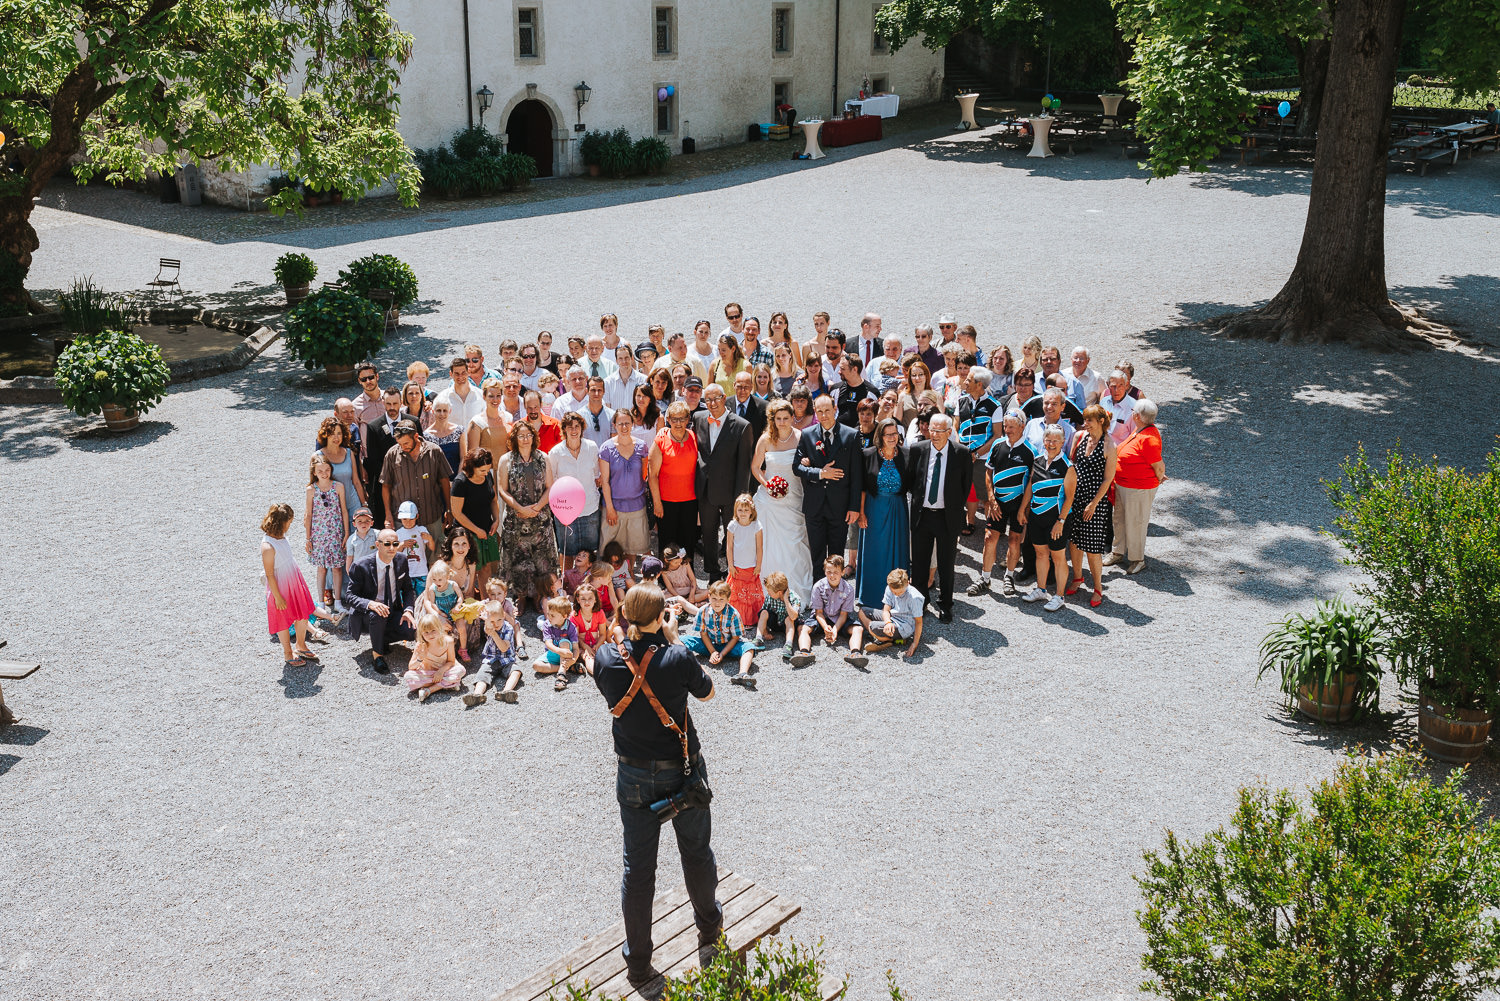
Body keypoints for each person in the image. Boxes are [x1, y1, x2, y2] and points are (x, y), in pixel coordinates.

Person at [591, 584, 721, 993]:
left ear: (626, 614)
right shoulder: (677, 654)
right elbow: (709, 693)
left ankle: (639, 964)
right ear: (660, 616)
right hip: (681, 771)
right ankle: (709, 932)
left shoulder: (605, 658)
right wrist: (672, 638)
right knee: (696, 855)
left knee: (638, 870)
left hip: (632, 774)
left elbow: (616, 675)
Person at [905, 414, 972, 623]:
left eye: (939, 431)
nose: (933, 434)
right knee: (920, 564)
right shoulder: (918, 449)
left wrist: (953, 508)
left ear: (949, 433)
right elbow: (910, 479)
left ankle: (945, 604)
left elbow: (965, 485)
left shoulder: (961, 453)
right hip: (922, 516)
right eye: (931, 429)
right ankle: (920, 603)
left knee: (946, 564)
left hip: (946, 517)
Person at [748, 399, 815, 606]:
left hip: (795, 495)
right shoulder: (765, 439)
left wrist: (807, 462)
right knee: (769, 543)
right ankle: (768, 588)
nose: (783, 422)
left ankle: (796, 589)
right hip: (770, 499)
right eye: (779, 419)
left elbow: (810, 461)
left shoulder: (801, 436)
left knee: (796, 543)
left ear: (792, 417)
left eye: (786, 418)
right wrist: (767, 484)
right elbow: (756, 467)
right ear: (773, 420)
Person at [794, 395, 863, 572]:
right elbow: (797, 468)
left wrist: (854, 507)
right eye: (820, 411)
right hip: (814, 505)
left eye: (827, 410)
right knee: (816, 555)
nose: (824, 415)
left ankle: (835, 593)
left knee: (836, 555)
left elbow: (856, 475)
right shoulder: (808, 435)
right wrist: (820, 473)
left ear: (835, 410)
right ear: (815, 412)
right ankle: (818, 594)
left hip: (839, 506)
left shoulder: (851, 435)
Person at [969, 410, 1034, 597]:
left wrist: (1023, 509)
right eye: (1005, 426)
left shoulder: (1030, 451)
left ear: (1022, 426)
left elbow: (1031, 482)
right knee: (990, 537)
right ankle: (985, 578)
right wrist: (991, 498)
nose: (1008, 430)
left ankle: (1009, 577)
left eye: (1012, 427)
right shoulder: (997, 444)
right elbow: (988, 472)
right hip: (997, 502)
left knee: (1014, 540)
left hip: (1018, 504)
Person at [496, 420, 558, 614]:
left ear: (534, 437)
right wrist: (520, 508)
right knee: (518, 559)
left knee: (541, 559)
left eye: (528, 435)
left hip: (540, 518)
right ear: (514, 438)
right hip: (516, 519)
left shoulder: (544, 458)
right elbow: (502, 489)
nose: (525, 439)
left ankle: (540, 596)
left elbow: (550, 486)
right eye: (521, 435)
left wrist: (537, 507)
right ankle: (521, 597)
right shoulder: (506, 459)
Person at [693, 386, 753, 581]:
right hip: (706, 489)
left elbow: (744, 466)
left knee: (732, 534)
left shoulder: (742, 425)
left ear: (724, 398)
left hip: (730, 493)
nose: (711, 403)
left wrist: (740, 498)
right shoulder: (699, 418)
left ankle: (733, 571)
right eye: (707, 399)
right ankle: (712, 572)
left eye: (716, 399)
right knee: (708, 534)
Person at [1017, 425, 1077, 613]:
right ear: (1044, 441)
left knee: (1058, 558)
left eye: (1055, 441)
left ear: (1062, 443)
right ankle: (1041, 589)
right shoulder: (1037, 460)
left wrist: (1060, 521)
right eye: (1048, 440)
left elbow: (1070, 497)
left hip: (1056, 520)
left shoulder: (1068, 467)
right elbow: (1030, 487)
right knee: (1041, 553)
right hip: (1036, 516)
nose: (1051, 444)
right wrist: (1022, 510)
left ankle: (1059, 596)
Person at [344, 528, 417, 674]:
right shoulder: (360, 566)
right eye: (387, 544)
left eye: (395, 544)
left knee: (411, 630)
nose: (391, 548)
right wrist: (370, 604)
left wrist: (408, 610)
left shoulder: (401, 560)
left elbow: (408, 589)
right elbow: (350, 596)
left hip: (392, 610)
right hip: (368, 614)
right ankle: (377, 655)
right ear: (378, 545)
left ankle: (381, 637)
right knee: (378, 614)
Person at [856, 418, 912, 609]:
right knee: (874, 552)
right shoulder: (868, 454)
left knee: (898, 551)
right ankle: (871, 596)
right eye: (888, 434)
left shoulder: (906, 454)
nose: (892, 438)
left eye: (895, 434)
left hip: (897, 508)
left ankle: (898, 596)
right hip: (874, 508)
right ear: (880, 436)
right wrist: (862, 513)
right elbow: (862, 487)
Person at [1106, 398, 1166, 575]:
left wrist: (1159, 477)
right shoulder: (1140, 430)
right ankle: (1118, 551)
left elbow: (1159, 466)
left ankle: (1137, 559)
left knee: (1136, 522)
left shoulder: (1148, 438)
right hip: (1124, 485)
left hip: (1138, 488)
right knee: (1120, 519)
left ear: (1137, 416)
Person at [1067, 405, 1118, 607]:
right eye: (1085, 419)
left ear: (1101, 422)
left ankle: (1098, 587)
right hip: (1076, 497)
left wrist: (1093, 504)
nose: (1085, 423)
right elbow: (1072, 463)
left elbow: (1108, 480)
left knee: (1093, 548)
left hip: (1095, 502)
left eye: (1089, 420)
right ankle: (1078, 577)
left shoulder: (1109, 445)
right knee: (1074, 541)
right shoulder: (1080, 437)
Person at [381, 419, 453, 553]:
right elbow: (386, 486)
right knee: (406, 561)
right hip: (404, 521)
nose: (403, 447)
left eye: (406, 443)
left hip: (431, 516)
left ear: (416, 436)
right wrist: (388, 514)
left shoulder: (434, 451)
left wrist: (448, 509)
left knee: (435, 556)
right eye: (400, 444)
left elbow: (445, 481)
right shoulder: (392, 454)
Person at [261, 503, 319, 667]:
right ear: (281, 522)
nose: (290, 525)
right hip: (280, 585)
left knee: (302, 614)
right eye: (289, 522)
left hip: (294, 579)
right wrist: (277, 597)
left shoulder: (282, 536)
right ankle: (287, 652)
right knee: (283, 620)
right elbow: (270, 574)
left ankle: (300, 645)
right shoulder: (267, 546)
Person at [649, 401, 700, 563]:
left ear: (688, 419)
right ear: (668, 419)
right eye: (674, 419)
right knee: (667, 544)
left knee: (688, 542)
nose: (678, 423)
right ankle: (666, 582)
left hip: (690, 500)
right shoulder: (661, 438)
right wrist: (657, 503)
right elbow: (652, 475)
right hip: (666, 501)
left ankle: (686, 579)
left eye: (682, 419)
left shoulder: (693, 436)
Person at [548, 412, 603, 562]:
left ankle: (588, 585)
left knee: (589, 553)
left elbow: (597, 476)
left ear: (582, 428)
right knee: (567, 551)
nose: (574, 430)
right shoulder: (555, 453)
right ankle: (566, 583)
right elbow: (551, 482)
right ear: (564, 429)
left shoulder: (592, 448)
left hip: (590, 509)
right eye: (570, 427)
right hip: (565, 511)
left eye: (577, 426)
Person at [600, 409, 651, 564]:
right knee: (611, 550)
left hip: (636, 506)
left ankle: (629, 578)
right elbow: (605, 481)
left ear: (632, 424)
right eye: (620, 423)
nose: (624, 427)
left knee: (632, 549)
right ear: (614, 425)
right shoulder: (606, 448)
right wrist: (610, 508)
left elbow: (645, 475)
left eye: (627, 423)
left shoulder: (642, 447)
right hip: (614, 506)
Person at [794, 554, 864, 668]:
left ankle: (855, 653)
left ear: (842, 572)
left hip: (839, 618)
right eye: (828, 572)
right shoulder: (818, 587)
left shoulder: (849, 589)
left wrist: (835, 630)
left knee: (858, 629)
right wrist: (825, 626)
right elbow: (818, 613)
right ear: (824, 571)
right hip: (821, 618)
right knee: (802, 628)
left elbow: (843, 614)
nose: (832, 575)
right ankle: (804, 652)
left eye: (836, 572)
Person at [955, 366, 1000, 534]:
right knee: (969, 491)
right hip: (964, 454)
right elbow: (956, 425)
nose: (965, 381)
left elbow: (997, 435)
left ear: (979, 384)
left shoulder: (994, 406)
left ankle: (992, 525)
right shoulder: (961, 401)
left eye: (969, 380)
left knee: (985, 492)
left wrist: (977, 454)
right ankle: (970, 521)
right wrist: (961, 448)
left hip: (983, 457)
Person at [684, 580, 756, 684]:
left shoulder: (734, 614)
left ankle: (742, 674)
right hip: (709, 644)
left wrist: (722, 654)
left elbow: (735, 638)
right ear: (709, 597)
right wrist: (712, 651)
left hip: (729, 645)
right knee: (683, 640)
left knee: (749, 647)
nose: (717, 602)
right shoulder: (703, 611)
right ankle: (681, 668)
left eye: (721, 599)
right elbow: (703, 634)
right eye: (714, 598)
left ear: (728, 599)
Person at [450, 448, 501, 592]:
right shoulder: (460, 482)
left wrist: (496, 520)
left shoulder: (488, 476)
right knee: (469, 571)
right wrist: (476, 530)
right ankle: (468, 606)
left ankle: (486, 606)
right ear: (472, 466)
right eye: (482, 471)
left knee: (486, 569)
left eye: (487, 470)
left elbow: (493, 499)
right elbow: (457, 513)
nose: (486, 474)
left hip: (485, 528)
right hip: (466, 533)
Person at [464, 580, 521, 706]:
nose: (496, 624)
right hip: (491, 659)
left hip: (507, 659)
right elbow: (487, 626)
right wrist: (485, 618)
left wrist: (494, 633)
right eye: (493, 621)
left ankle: (507, 691)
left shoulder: (508, 628)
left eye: (500, 620)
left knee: (516, 671)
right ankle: (477, 695)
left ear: (503, 616)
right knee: (482, 675)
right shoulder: (489, 627)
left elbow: (504, 648)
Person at [305, 455, 349, 614]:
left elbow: (344, 510)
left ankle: (338, 601)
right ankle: (321, 602)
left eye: (327, 470)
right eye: (320, 471)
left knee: (337, 568)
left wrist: (346, 533)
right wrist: (308, 538)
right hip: (319, 535)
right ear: (315, 472)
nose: (324, 473)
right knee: (321, 568)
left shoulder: (338, 487)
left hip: (336, 532)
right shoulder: (311, 490)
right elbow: (308, 515)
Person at [314, 417, 365, 536]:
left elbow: (356, 481)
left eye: (339, 434)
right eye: (332, 434)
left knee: (356, 540)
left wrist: (363, 504)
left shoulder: (349, 453)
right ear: (325, 435)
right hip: (332, 507)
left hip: (352, 503)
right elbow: (314, 485)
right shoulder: (318, 455)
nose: (336, 438)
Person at [859, 568, 924, 659]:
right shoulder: (890, 587)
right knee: (862, 611)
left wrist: (914, 644)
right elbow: (886, 610)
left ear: (908, 583)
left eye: (900, 592)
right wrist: (888, 622)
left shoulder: (914, 597)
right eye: (894, 592)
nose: (897, 594)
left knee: (873, 626)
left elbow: (918, 622)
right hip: (893, 617)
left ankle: (886, 639)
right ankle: (888, 639)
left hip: (904, 626)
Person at [402, 613, 462, 702]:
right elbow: (411, 667)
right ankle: (447, 684)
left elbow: (451, 661)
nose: (430, 635)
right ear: (421, 633)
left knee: (461, 670)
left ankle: (429, 690)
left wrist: (441, 671)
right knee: (408, 676)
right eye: (426, 632)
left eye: (433, 630)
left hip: (444, 671)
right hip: (428, 672)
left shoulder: (448, 641)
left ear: (439, 628)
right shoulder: (421, 645)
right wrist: (420, 658)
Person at [724, 494, 764, 628]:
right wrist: (730, 565)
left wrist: (758, 565)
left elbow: (759, 547)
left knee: (750, 595)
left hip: (751, 566)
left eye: (746, 510)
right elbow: (729, 547)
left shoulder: (756, 526)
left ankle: (751, 619)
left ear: (752, 511)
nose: (743, 513)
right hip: (737, 566)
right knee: (737, 595)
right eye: (740, 510)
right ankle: (737, 619)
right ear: (736, 510)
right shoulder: (732, 525)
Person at [535, 595, 581, 689]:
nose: (549, 617)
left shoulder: (571, 627)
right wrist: (560, 652)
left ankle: (562, 675)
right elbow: (548, 643)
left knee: (564, 642)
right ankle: (568, 667)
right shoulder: (547, 625)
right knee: (536, 666)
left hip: (566, 653)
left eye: (552, 615)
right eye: (548, 614)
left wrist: (573, 660)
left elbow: (576, 648)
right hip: (554, 652)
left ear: (564, 616)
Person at [756, 572, 802, 661]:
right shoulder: (770, 597)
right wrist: (765, 632)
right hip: (776, 622)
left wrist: (786, 600)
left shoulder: (794, 597)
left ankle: (788, 645)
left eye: (769, 591)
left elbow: (793, 617)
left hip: (788, 625)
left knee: (789, 619)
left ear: (779, 592)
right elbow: (762, 615)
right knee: (764, 612)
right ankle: (758, 638)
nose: (768, 593)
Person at [394, 500, 434, 594]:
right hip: (405, 573)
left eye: (411, 519)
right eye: (405, 519)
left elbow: (431, 548)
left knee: (423, 597)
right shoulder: (398, 533)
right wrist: (402, 545)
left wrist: (430, 538)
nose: (408, 522)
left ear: (417, 516)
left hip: (421, 571)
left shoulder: (421, 530)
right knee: (406, 597)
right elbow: (395, 553)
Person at [435, 356, 485, 430]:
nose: (460, 376)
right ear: (451, 374)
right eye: (457, 373)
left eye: (463, 373)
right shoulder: (442, 397)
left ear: (468, 372)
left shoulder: (481, 395)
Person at [570, 583, 609, 674]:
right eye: (583, 599)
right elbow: (576, 637)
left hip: (596, 643)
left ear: (595, 599)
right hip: (580, 645)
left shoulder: (600, 613)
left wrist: (597, 645)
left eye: (590, 598)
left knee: (604, 655)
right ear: (578, 600)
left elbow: (603, 634)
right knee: (587, 656)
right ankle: (596, 673)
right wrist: (586, 647)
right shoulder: (575, 615)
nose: (587, 602)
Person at [423, 399, 464, 474]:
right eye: (438, 410)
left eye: (445, 410)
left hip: (457, 479)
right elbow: (427, 463)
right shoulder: (426, 436)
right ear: (433, 411)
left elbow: (463, 458)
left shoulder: (459, 431)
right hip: (437, 480)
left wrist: (458, 480)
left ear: (450, 411)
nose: (442, 414)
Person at [835, 356, 876, 428]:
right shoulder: (835, 389)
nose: (839, 372)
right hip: (839, 434)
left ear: (854, 369)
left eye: (843, 369)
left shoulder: (871, 392)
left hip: (860, 436)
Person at [604, 343, 647, 411]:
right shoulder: (608, 382)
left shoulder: (643, 380)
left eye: (626, 358)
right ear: (616, 361)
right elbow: (607, 409)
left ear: (632, 358)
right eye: (620, 358)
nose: (624, 361)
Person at [706, 333, 748, 399]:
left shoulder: (745, 366)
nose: (720, 353)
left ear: (733, 349)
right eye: (719, 349)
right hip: (720, 406)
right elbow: (709, 390)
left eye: (723, 350)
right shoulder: (714, 365)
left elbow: (750, 390)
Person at [730, 371, 768, 441]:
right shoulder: (725, 404)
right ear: (734, 385)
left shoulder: (763, 407)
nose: (743, 390)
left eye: (746, 387)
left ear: (751, 387)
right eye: (739, 387)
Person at [345, 506, 377, 575]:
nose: (363, 524)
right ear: (354, 524)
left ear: (372, 523)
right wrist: (349, 572)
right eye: (359, 521)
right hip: (358, 570)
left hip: (374, 569)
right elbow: (349, 557)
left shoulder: (377, 535)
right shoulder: (351, 540)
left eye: (367, 521)